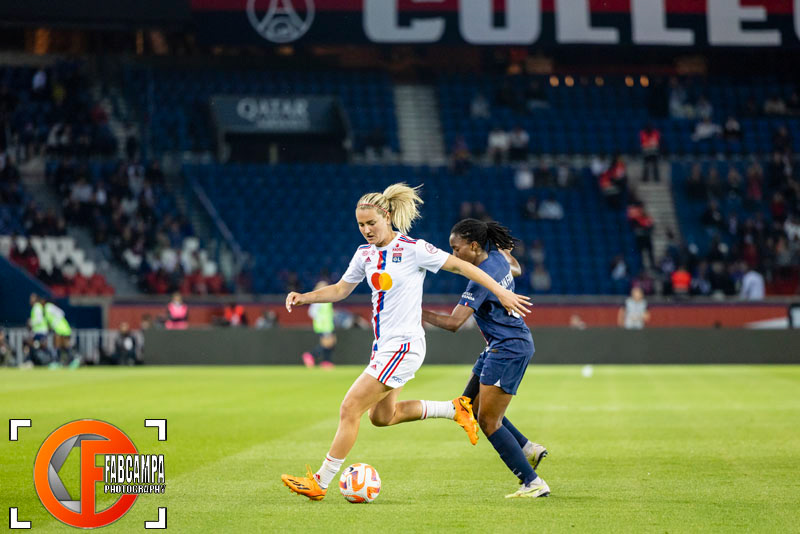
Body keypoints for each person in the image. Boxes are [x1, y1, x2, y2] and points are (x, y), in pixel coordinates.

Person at [281, 184, 532, 501]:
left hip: (404, 346)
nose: (366, 230)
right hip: (383, 347)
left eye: (371, 223)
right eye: (361, 224)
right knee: (381, 417)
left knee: (350, 408)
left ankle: (320, 481)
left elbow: (463, 266)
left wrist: (500, 291)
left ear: (387, 217)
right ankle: (453, 409)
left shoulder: (414, 249)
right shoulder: (364, 254)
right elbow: (341, 289)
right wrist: (305, 297)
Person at [420, 219, 550, 499]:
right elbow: (516, 268)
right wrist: (507, 253)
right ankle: (527, 448)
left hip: (507, 348)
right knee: (472, 405)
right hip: (503, 345)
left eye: (457, 249)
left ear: (474, 246)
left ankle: (533, 483)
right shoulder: (498, 259)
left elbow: (454, 323)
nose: (454, 255)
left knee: (489, 422)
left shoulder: (480, 279)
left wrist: (415, 312)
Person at [302, 280, 337, 369]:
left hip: (328, 325)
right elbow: (311, 312)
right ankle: (311, 355)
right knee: (327, 343)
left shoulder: (327, 299)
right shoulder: (318, 300)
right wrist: (320, 319)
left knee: (331, 342)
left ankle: (326, 361)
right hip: (323, 326)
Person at [44, 298, 79, 368]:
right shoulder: (46, 309)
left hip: (61, 329)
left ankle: (58, 362)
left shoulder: (48, 306)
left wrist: (54, 324)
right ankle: (73, 360)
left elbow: (61, 312)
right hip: (63, 329)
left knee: (58, 346)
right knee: (63, 347)